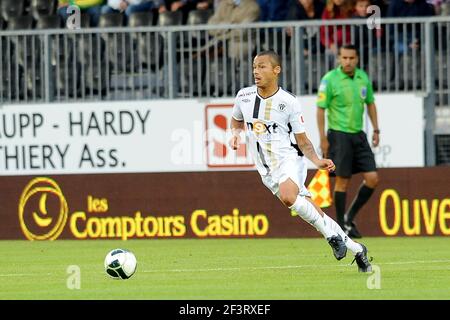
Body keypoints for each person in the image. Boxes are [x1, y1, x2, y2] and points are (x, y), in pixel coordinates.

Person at [229, 50, 372, 273]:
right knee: (315, 213)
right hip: (265, 169)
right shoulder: (243, 97)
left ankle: (333, 238)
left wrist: (317, 160)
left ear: (276, 70)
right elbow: (236, 121)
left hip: (289, 159)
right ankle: (356, 248)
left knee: (289, 197)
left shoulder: (288, 102)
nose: (256, 71)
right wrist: (235, 135)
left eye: (262, 66)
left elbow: (302, 141)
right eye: (254, 67)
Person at [317, 44, 380, 239]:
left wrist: (376, 129)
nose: (348, 61)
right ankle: (340, 226)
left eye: (351, 58)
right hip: (339, 135)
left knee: (372, 178)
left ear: (357, 59)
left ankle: (348, 217)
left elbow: (370, 103)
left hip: (358, 134)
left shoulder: (363, 78)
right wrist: (323, 139)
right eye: (344, 58)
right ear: (338, 59)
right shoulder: (330, 79)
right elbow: (320, 109)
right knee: (342, 181)